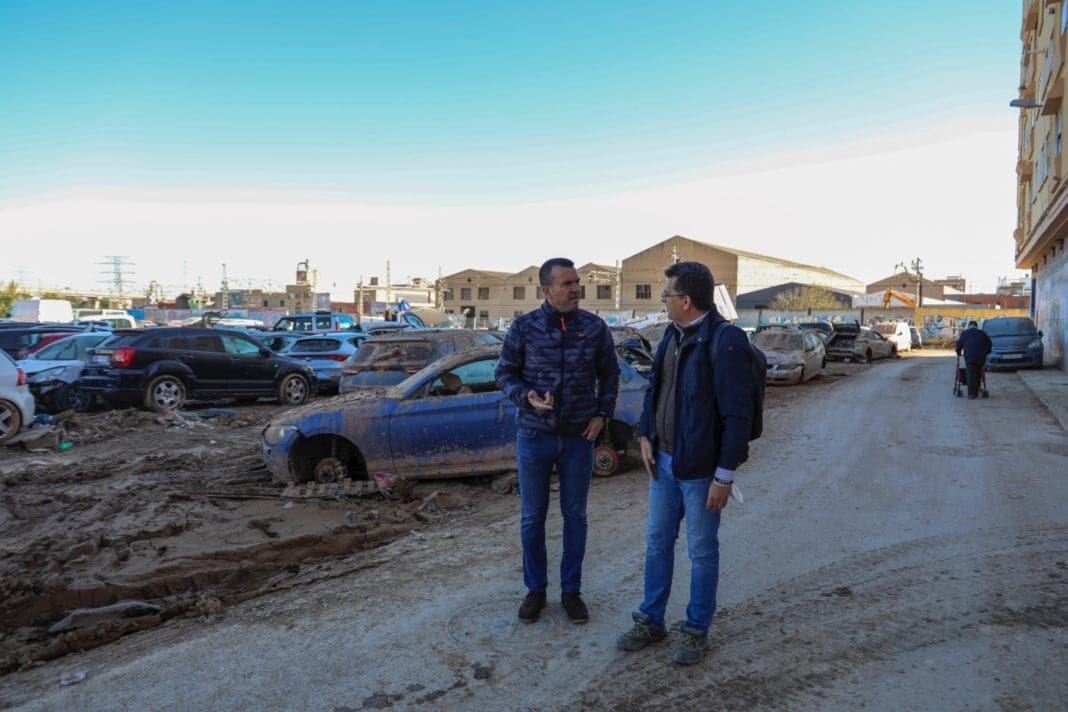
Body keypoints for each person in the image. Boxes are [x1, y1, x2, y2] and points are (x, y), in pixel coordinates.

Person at [616, 261, 755, 666]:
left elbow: (738, 415)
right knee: (658, 543)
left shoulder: (726, 342)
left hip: (700, 471)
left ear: (687, 300)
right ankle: (651, 620)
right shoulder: (671, 337)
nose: (663, 301)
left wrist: (724, 477)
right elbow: (654, 391)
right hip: (662, 463)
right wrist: (645, 434)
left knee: (701, 551)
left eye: (667, 295)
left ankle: (696, 630)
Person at [495, 257, 620, 625]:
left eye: (577, 282)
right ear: (547, 290)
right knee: (533, 517)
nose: (576, 289)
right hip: (535, 435)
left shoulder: (594, 328)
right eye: (567, 284)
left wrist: (602, 414)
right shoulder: (524, 328)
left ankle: (571, 591)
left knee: (575, 516)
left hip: (579, 438)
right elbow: (504, 373)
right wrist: (526, 396)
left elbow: (610, 376)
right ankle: (535, 590)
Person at [955, 320, 992, 399]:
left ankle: (971, 394)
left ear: (969, 326)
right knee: (978, 374)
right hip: (980, 357)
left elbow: (959, 345)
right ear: (977, 326)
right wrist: (986, 353)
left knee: (970, 374)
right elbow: (989, 344)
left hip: (969, 357)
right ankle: (976, 390)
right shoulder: (983, 333)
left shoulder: (964, 333)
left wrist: (958, 352)